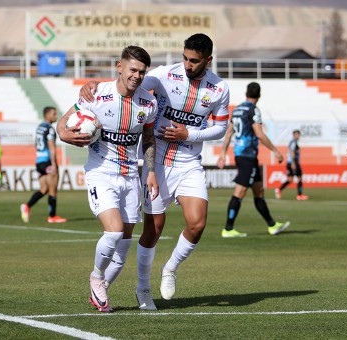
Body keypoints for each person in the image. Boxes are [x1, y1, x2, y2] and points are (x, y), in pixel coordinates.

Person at [79, 33, 230, 310]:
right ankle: (143, 288)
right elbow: (126, 84)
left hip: (189, 163)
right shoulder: (163, 75)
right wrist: (93, 85)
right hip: (157, 163)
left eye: (194, 61)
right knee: (154, 230)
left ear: (208, 60)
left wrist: (190, 133)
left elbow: (220, 128)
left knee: (197, 224)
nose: (187, 64)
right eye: (184, 58)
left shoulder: (219, 89)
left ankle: (170, 268)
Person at [58, 45, 158, 312]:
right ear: (119, 67)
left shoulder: (148, 102)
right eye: (132, 69)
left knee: (124, 245)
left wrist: (150, 172)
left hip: (130, 177)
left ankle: (100, 289)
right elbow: (63, 122)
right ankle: (95, 276)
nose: (137, 75)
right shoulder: (96, 93)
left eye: (142, 71)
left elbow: (148, 139)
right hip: (100, 173)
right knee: (113, 231)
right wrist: (63, 134)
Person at [217, 82, 290, 238]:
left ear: (246, 93)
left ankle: (272, 225)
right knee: (240, 191)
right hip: (247, 155)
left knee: (258, 191)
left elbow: (229, 133)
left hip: (243, 154)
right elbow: (259, 134)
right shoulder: (253, 110)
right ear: (259, 95)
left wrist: (223, 153)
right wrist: (276, 151)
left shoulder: (237, 109)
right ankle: (228, 229)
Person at [20, 106, 67, 224]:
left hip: (39, 162)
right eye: (53, 114)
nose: (56, 116)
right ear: (47, 115)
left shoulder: (39, 127)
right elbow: (51, 147)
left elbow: (37, 144)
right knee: (52, 189)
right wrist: (54, 164)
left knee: (44, 189)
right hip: (47, 161)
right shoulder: (50, 129)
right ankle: (52, 216)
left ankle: (27, 205)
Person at [275, 130, 308, 200]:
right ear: (293, 135)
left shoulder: (293, 142)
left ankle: (279, 189)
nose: (298, 136)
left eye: (298, 134)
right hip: (293, 163)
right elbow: (292, 152)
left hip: (290, 163)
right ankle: (299, 195)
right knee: (299, 178)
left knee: (290, 180)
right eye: (296, 135)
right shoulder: (293, 142)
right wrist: (293, 163)